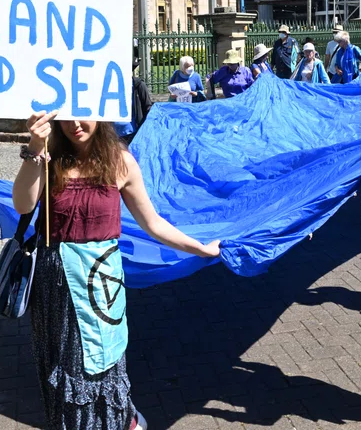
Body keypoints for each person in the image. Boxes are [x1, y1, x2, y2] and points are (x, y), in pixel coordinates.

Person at [12, 112, 220, 430]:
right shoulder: (50, 156)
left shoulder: (119, 160)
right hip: (55, 285)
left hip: (99, 283)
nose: (74, 125)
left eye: (83, 115)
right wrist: (36, 148)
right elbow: (23, 204)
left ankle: (121, 420)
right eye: (66, 117)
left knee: (100, 361)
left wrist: (200, 248)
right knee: (66, 368)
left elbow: (152, 223)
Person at [116, 48, 153, 144]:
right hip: (112, 135)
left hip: (133, 134)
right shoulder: (109, 86)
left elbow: (148, 107)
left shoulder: (138, 85)